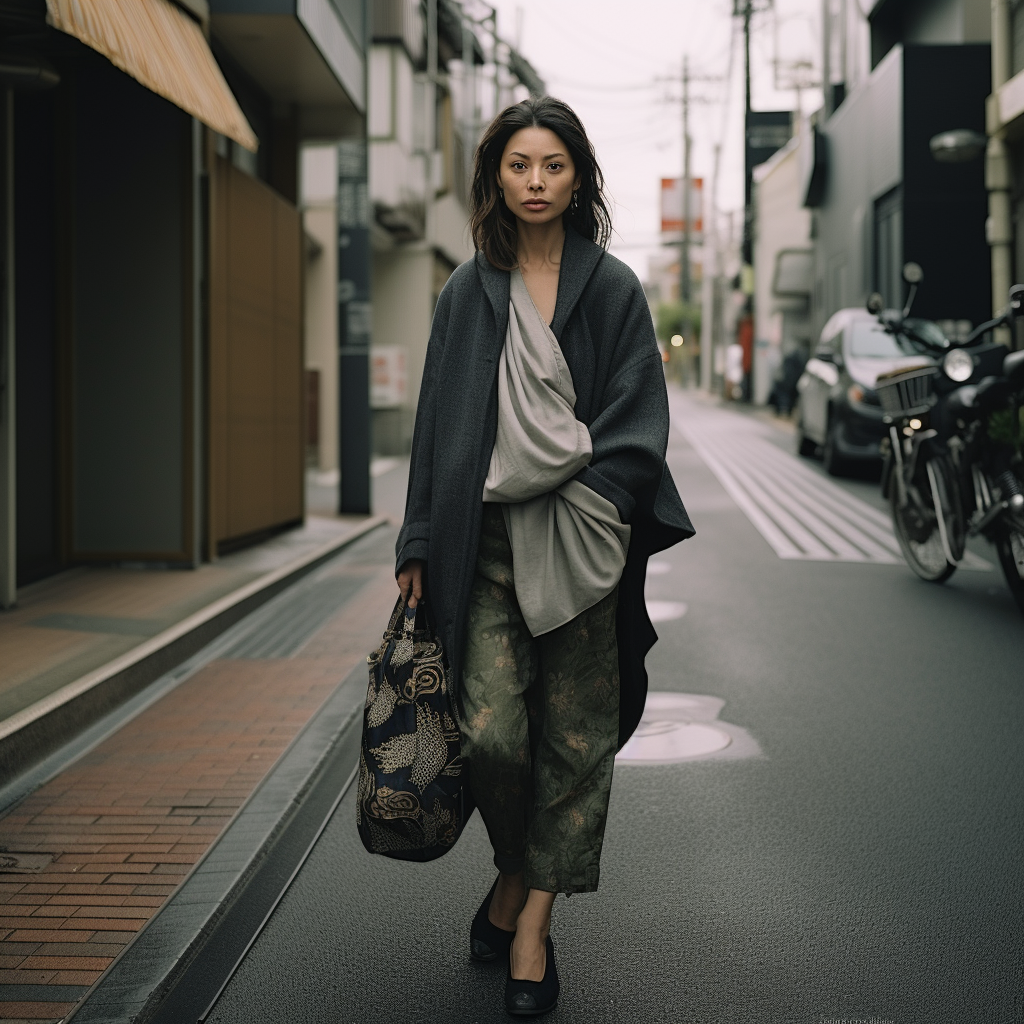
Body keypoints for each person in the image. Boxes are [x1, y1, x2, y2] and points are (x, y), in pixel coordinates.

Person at [396, 96, 693, 1017]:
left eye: (553, 166)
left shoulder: (611, 290)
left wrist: (597, 502)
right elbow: (437, 423)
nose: (535, 182)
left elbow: (641, 421)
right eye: (520, 166)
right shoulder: (465, 290)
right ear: (496, 177)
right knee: (490, 732)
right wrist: (416, 540)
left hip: (582, 549)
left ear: (578, 178)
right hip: (480, 547)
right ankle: (512, 877)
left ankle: (532, 928)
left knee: (575, 741)